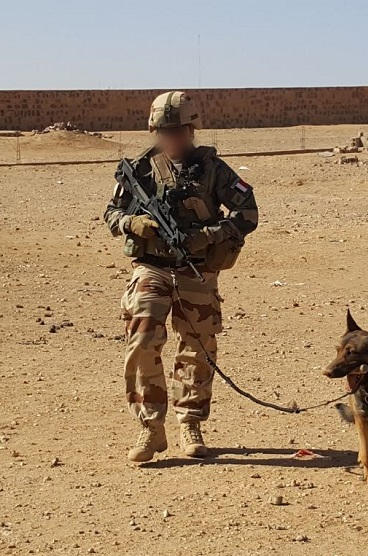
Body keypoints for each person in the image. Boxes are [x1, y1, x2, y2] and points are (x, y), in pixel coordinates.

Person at [104, 91, 258, 462]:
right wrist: (132, 222)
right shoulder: (139, 169)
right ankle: (150, 427)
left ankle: (190, 422)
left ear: (191, 129)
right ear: (154, 130)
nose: (171, 138)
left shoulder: (213, 170)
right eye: (164, 131)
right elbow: (110, 213)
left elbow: (248, 212)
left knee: (198, 347)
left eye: (178, 131)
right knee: (142, 338)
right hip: (152, 265)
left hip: (196, 268)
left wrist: (207, 235)